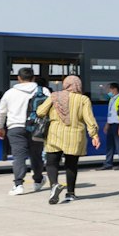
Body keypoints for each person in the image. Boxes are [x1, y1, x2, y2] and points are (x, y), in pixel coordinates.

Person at [40, 75, 100, 205]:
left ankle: (54, 185)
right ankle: (70, 193)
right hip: (74, 135)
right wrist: (94, 135)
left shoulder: (54, 96)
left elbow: (40, 111)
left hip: (54, 134)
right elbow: (89, 119)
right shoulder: (83, 99)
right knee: (71, 165)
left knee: (51, 163)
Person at [0, 68, 49, 195]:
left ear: (18, 78)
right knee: (36, 155)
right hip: (37, 128)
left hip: (15, 128)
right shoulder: (43, 90)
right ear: (33, 78)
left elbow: (1, 112)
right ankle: (38, 180)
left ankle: (18, 185)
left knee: (19, 157)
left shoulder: (10, 93)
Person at [100, 83, 119, 170]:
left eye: (109, 90)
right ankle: (108, 163)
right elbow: (110, 114)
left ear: (115, 89)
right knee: (110, 145)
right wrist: (107, 124)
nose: (108, 92)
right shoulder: (111, 99)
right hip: (111, 124)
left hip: (118, 124)